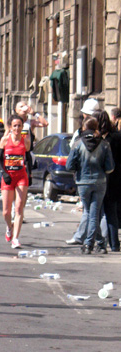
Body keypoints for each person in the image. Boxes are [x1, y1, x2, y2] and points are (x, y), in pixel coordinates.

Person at [66, 116, 114, 254]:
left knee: (90, 213)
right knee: (94, 213)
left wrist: (78, 168)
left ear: (84, 127)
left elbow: (69, 165)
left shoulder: (78, 143)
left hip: (83, 182)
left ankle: (88, 244)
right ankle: (100, 243)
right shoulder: (104, 144)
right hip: (100, 182)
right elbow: (110, 167)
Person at [66, 98, 101, 245]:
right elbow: (110, 164)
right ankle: (101, 239)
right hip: (101, 180)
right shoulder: (103, 140)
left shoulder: (79, 138)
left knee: (89, 211)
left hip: (83, 179)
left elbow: (70, 162)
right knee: (96, 211)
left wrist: (75, 170)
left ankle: (87, 239)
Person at [0, 114, 31, 249]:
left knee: (19, 208)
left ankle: (15, 238)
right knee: (6, 211)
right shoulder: (5, 140)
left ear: (22, 127)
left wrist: (30, 174)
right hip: (8, 177)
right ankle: (9, 227)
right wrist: (4, 173)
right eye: (14, 126)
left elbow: (28, 158)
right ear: (10, 127)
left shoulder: (26, 141)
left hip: (21, 176)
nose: (17, 128)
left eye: (19, 126)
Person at [94, 110, 121, 252]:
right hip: (116, 179)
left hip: (102, 178)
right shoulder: (116, 137)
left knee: (96, 212)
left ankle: (96, 241)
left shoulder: (98, 140)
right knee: (111, 212)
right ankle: (114, 244)